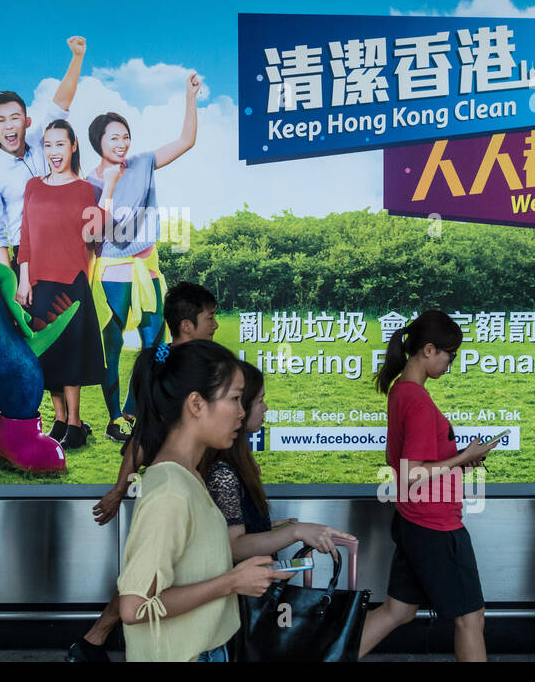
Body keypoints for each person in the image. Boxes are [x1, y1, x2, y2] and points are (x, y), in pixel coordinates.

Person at [67, 280, 220, 662]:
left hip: (189, 483)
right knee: (151, 576)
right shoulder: (169, 365)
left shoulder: (171, 359)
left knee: (158, 571)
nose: (215, 325)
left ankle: (94, 641)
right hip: (174, 485)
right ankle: (96, 640)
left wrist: (121, 488)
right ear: (187, 325)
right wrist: (120, 488)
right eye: (210, 317)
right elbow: (144, 432)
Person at [115, 340, 285, 661]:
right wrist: (232, 582)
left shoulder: (188, 475)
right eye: (235, 398)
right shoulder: (170, 491)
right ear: (196, 404)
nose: (241, 411)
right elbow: (135, 607)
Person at [357, 310, 499, 661]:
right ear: (429, 350)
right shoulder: (418, 400)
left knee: (397, 611)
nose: (450, 364)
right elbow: (413, 474)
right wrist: (462, 457)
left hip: (413, 521)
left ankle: (326, 655)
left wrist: (460, 461)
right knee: (470, 617)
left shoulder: (401, 390)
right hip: (434, 525)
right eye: (450, 355)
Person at [0, 35, 86, 436]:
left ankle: (67, 419)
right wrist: (10, 281)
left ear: (27, 120)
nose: (10, 126)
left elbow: (62, 99)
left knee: (62, 332)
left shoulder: (45, 142)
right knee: (12, 333)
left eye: (15, 118)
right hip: (23, 260)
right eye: (0, 120)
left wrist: (76, 58)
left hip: (62, 254)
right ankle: (0, 409)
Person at [88, 72, 201, 442]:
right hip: (111, 273)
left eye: (125, 137)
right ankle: (113, 418)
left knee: (157, 345)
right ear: (98, 142)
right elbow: (98, 232)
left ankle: (134, 411)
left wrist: (190, 96)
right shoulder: (88, 183)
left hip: (147, 269)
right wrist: (110, 187)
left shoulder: (143, 163)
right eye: (113, 137)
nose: (122, 144)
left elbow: (186, 141)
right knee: (113, 346)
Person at [15, 119, 118, 448]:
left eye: (60, 144)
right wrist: (23, 278)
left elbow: (96, 233)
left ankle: (75, 423)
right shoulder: (33, 186)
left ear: (73, 147)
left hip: (72, 282)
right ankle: (59, 420)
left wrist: (110, 190)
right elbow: (26, 235)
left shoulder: (85, 189)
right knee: (48, 354)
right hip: (38, 282)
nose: (53, 151)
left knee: (70, 355)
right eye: (47, 145)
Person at [202, 360, 355, 559]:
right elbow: (233, 547)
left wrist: (266, 529)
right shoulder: (223, 474)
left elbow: (240, 531)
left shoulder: (236, 464)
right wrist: (294, 532)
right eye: (259, 400)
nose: (265, 408)